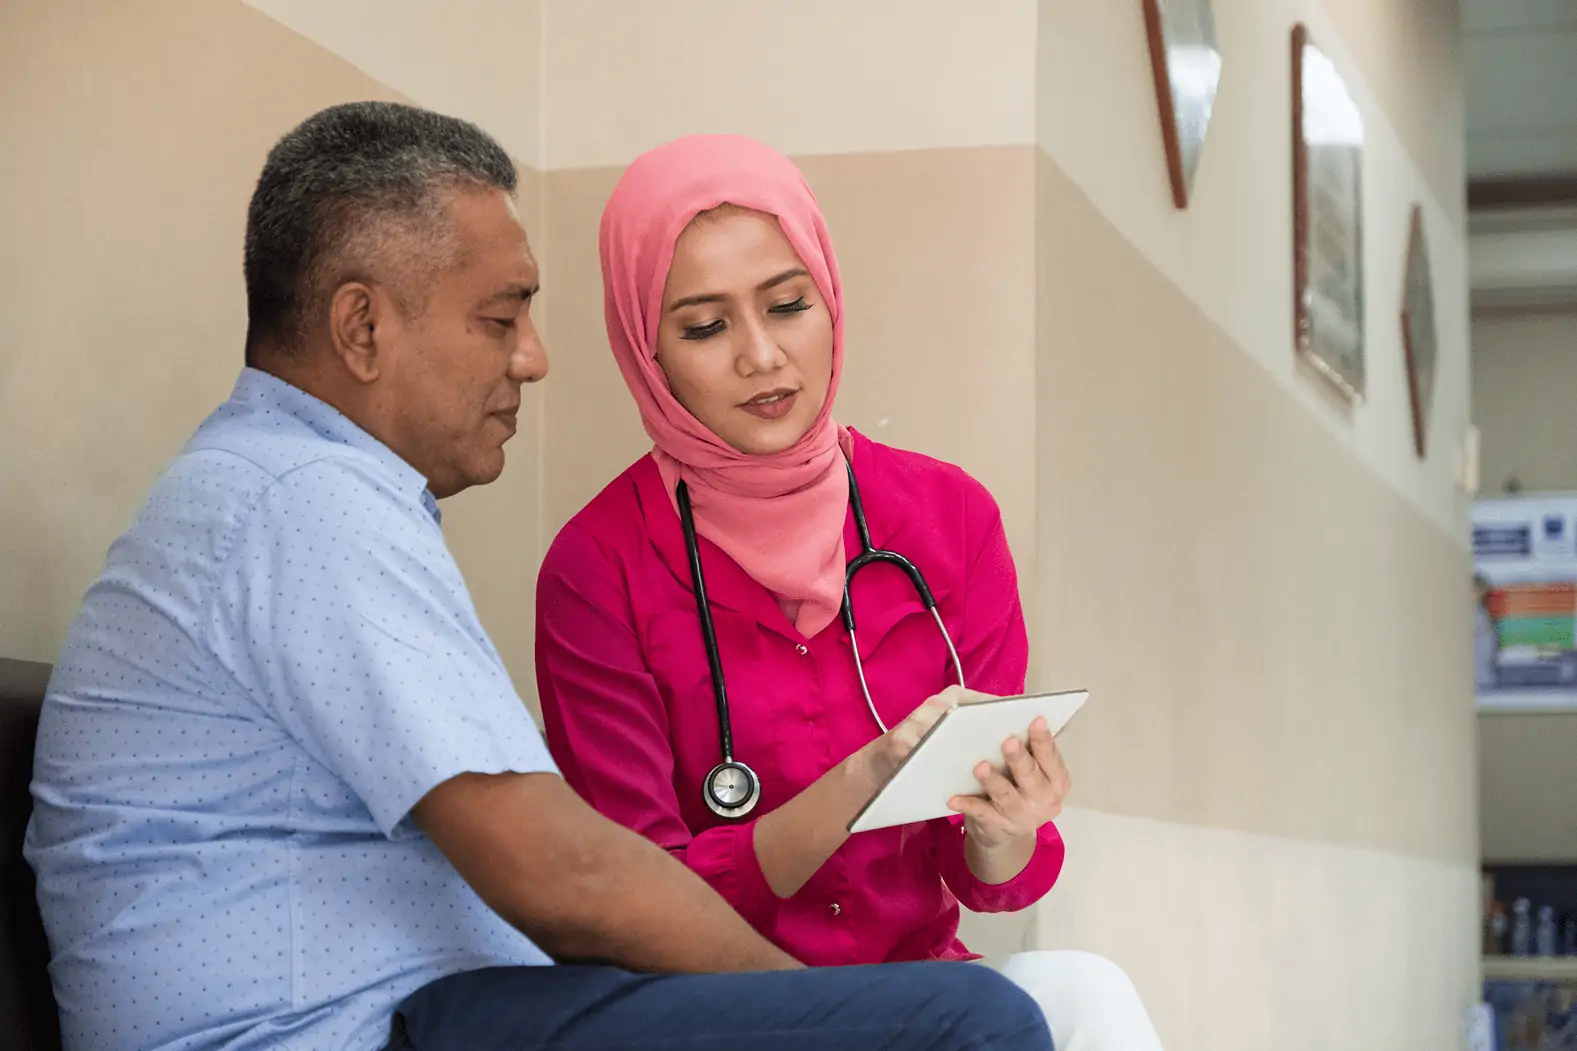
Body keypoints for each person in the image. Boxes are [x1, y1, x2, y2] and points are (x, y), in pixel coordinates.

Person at [24, 103, 1053, 1051]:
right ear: (363, 327)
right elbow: (572, 873)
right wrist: (809, 1018)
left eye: (785, 305)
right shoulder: (305, 503)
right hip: (333, 1029)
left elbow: (560, 879)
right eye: (499, 317)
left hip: (439, 1005)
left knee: (997, 1003)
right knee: (969, 1024)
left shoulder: (294, 491)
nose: (532, 358)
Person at [535, 134, 1164, 1051]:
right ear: (646, 348)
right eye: (705, 327)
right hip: (714, 1013)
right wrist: (861, 781)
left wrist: (1006, 823)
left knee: (1086, 996)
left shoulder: (948, 519)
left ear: (828, 298)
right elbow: (632, 902)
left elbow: (986, 877)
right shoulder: (598, 568)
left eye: (788, 305)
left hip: (919, 998)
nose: (761, 355)